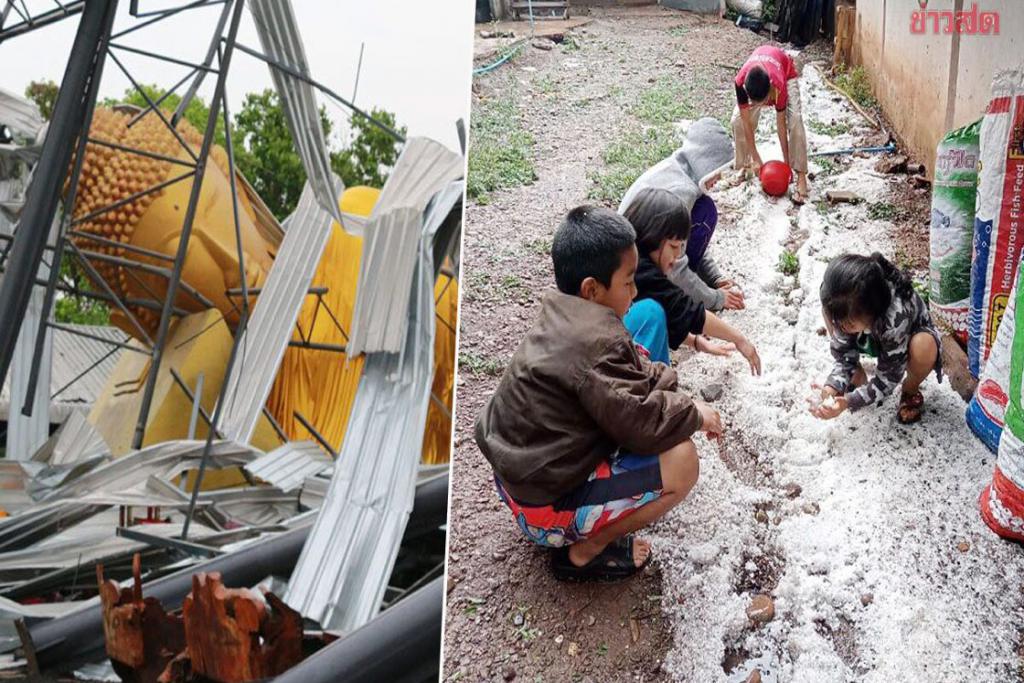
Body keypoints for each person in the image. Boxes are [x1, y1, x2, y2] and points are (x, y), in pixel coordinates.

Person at [474, 206, 719, 582]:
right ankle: (583, 554)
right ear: (592, 288)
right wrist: (694, 413)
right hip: (542, 508)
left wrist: (665, 388)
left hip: (517, 478)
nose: (635, 292)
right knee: (683, 459)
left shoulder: (564, 313)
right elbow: (643, 424)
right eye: (628, 282)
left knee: (647, 364)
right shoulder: (598, 345)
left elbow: (634, 371)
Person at [621, 188, 761, 374]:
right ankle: (650, 387)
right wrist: (739, 339)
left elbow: (673, 310)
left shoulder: (631, 257)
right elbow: (686, 311)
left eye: (681, 248)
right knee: (652, 313)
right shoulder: (641, 270)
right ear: (652, 236)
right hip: (601, 356)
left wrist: (696, 342)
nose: (677, 256)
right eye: (673, 247)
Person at [619, 118, 743, 312]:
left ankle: (688, 286)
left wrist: (713, 278)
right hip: (634, 267)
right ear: (705, 160)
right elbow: (676, 260)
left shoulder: (679, 168)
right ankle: (675, 293)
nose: (718, 178)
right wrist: (716, 299)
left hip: (640, 253)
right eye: (717, 170)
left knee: (704, 207)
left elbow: (681, 242)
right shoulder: (680, 192)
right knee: (705, 213)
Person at [810, 253, 942, 424]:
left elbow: (888, 378)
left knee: (924, 346)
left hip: (903, 341)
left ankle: (910, 390)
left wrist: (849, 401)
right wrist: (832, 387)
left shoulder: (895, 319)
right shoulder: (842, 299)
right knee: (832, 313)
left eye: (847, 324)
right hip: (870, 332)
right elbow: (843, 352)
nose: (840, 327)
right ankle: (856, 373)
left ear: (871, 314)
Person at [732, 45, 810, 204]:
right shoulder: (740, 83)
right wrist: (756, 158)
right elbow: (747, 123)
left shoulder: (778, 83)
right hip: (760, 75)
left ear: (769, 92)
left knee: (795, 120)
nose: (763, 105)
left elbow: (781, 125)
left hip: (786, 72)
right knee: (737, 121)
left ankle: (801, 175)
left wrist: (786, 167)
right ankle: (746, 166)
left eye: (765, 102)